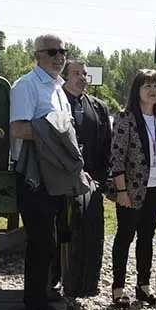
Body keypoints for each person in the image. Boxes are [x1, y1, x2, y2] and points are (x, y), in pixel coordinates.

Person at [9, 33, 83, 310]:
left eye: (63, 51)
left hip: (55, 176)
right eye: (53, 51)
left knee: (51, 243)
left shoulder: (57, 88)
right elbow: (17, 128)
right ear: (37, 54)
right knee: (39, 245)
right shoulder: (26, 86)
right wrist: (53, 131)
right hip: (35, 176)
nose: (59, 56)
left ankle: (44, 299)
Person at [109, 69, 156, 308]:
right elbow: (116, 157)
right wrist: (121, 191)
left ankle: (143, 286)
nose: (153, 90)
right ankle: (118, 288)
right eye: (147, 85)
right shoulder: (125, 117)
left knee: (147, 238)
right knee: (125, 237)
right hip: (132, 190)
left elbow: (151, 150)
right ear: (136, 90)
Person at [57, 58, 112, 297]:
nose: (81, 78)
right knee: (61, 237)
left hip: (91, 186)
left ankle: (87, 284)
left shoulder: (98, 107)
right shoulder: (55, 102)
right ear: (65, 76)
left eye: (84, 74)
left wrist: (103, 181)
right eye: (76, 73)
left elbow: (106, 148)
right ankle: (58, 283)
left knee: (91, 236)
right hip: (60, 183)